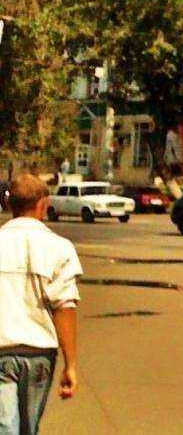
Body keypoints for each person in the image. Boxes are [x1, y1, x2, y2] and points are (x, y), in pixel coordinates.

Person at [0, 174, 80, 435]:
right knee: (27, 429)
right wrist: (70, 365)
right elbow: (65, 307)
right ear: (43, 204)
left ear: (8, 203)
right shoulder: (60, 248)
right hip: (39, 355)